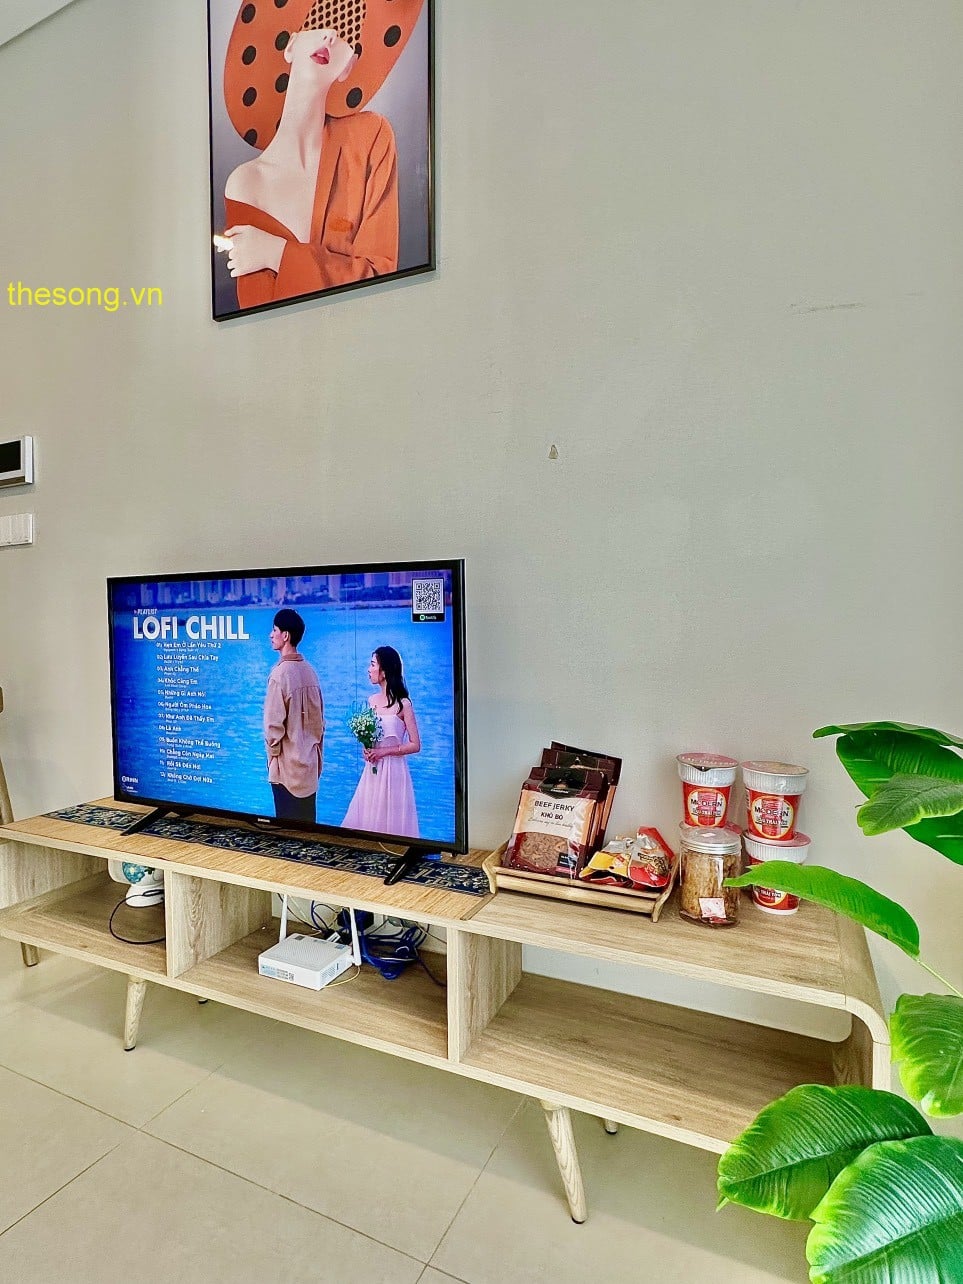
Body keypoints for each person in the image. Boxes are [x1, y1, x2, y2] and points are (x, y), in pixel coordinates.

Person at [220, 22, 399, 309]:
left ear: (347, 67)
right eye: (318, 23)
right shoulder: (245, 183)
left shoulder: (370, 137)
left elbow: (381, 275)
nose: (330, 35)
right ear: (291, 46)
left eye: (347, 30)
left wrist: (278, 254)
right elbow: (262, 316)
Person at [343, 646, 420, 838]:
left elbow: (415, 744)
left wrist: (384, 752)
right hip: (373, 769)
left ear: (384, 671)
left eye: (372, 665)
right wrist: (367, 748)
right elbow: (371, 735)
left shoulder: (404, 704)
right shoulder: (371, 701)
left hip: (394, 771)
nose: (368, 670)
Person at [263, 608, 324, 823]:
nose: (271, 635)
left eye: (275, 630)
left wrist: (272, 760)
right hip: (309, 771)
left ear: (286, 635)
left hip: (286, 772)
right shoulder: (311, 672)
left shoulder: (279, 675)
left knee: (286, 831)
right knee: (307, 832)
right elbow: (319, 725)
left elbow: (272, 729)